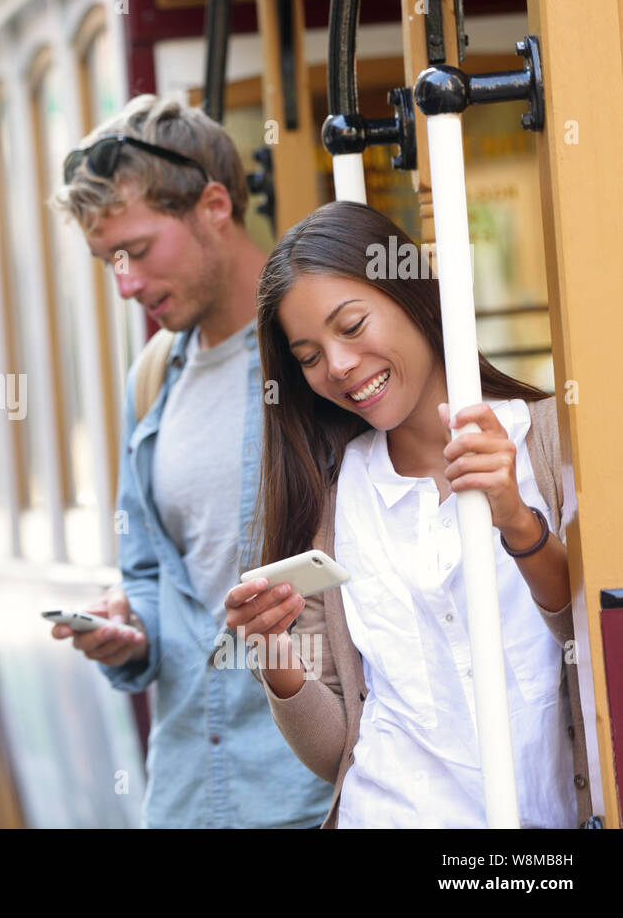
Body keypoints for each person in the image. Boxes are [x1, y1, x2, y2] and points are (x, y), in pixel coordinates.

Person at [226, 200, 592, 828]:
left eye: (351, 325)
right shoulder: (332, 499)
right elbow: (336, 748)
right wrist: (272, 657)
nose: (338, 367)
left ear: (414, 296)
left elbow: (593, 640)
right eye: (309, 356)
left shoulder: (554, 441)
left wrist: (518, 522)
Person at [48, 94, 334, 827]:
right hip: (189, 793)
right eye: (108, 261)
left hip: (317, 792)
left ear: (214, 205)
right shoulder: (149, 381)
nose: (126, 284)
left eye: (139, 251)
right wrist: (125, 630)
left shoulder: (324, 358)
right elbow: (147, 573)